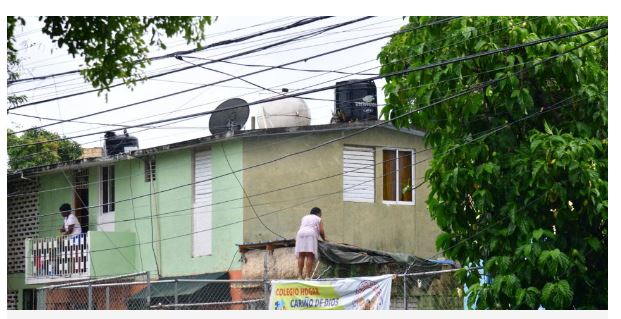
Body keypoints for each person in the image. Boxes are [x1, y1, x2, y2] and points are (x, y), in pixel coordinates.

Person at [294, 207, 326, 279]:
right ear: (318, 213)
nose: (321, 215)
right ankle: (307, 276)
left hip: (300, 234)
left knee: (301, 255)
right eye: (320, 214)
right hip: (310, 234)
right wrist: (325, 239)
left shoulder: (304, 217)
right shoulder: (318, 219)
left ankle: (299, 276)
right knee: (310, 255)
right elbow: (321, 231)